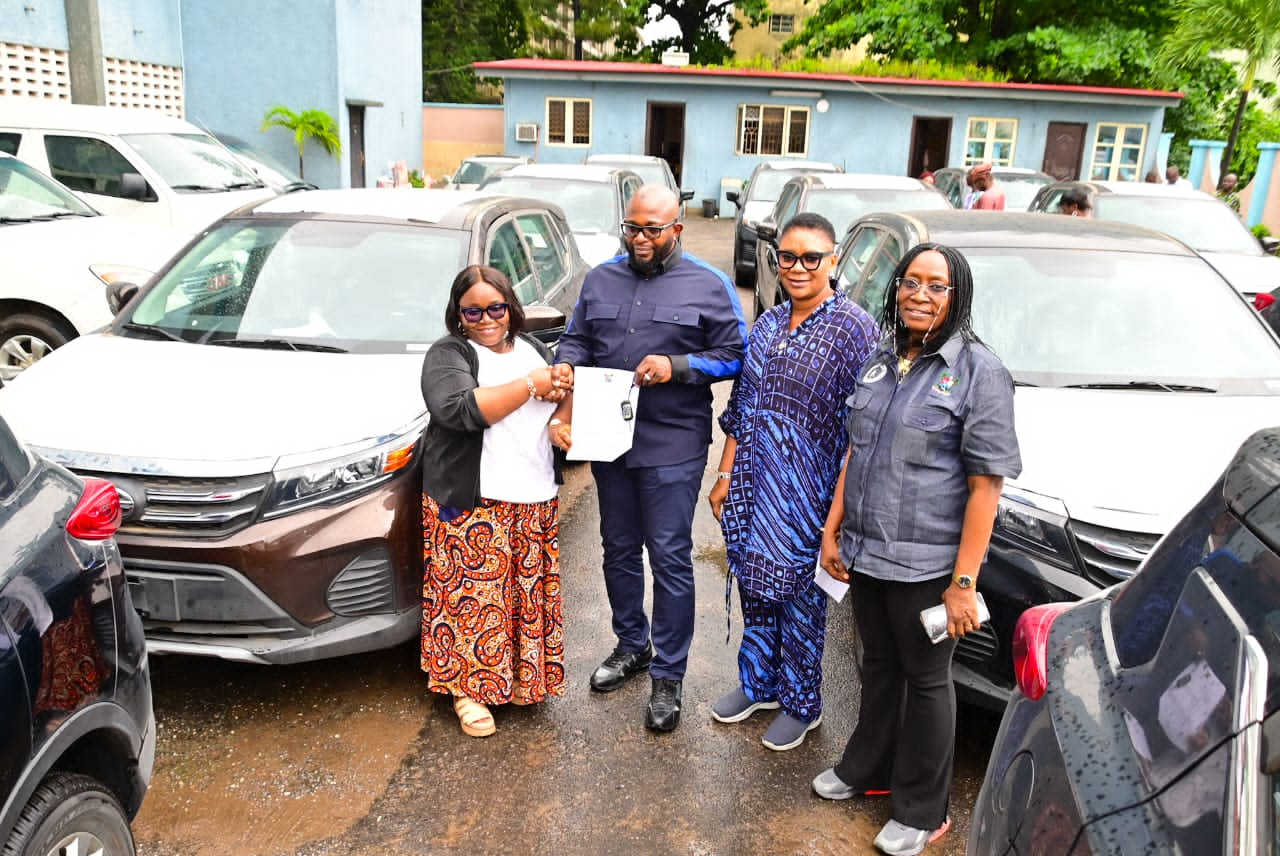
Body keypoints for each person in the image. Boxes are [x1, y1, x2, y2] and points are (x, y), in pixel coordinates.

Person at [812, 244, 1021, 856]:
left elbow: (987, 485)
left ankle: (926, 811)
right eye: (910, 283)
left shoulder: (980, 373)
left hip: (927, 563)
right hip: (867, 551)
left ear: (957, 295)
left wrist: (963, 583)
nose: (920, 296)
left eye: (936, 286)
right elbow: (857, 449)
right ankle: (867, 769)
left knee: (928, 681)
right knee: (875, 664)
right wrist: (834, 526)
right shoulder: (883, 358)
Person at [551, 184, 747, 733]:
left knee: (668, 556)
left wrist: (678, 366)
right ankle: (631, 645)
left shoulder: (710, 286)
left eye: (652, 230)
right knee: (617, 548)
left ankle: (669, 672)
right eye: (632, 228)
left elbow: (736, 355)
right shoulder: (600, 278)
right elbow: (577, 340)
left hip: (673, 445)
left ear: (677, 229)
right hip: (607, 439)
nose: (640, 239)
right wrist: (567, 368)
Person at [708, 212, 879, 751]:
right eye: (788, 257)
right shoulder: (766, 324)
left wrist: (839, 514)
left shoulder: (855, 330)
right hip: (753, 485)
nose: (798, 267)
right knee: (756, 586)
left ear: (834, 261)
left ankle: (801, 703)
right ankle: (758, 683)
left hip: (810, 494)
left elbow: (861, 430)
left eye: (812, 257)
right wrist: (725, 472)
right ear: (775, 261)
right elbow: (741, 405)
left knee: (800, 597)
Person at [418, 264, 574, 738]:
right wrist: (531, 385)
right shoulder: (450, 353)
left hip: (532, 491)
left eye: (495, 308)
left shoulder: (533, 347)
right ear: (458, 314)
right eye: (473, 310)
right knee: (472, 600)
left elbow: (561, 397)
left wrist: (562, 409)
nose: (486, 318)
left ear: (511, 307)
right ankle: (468, 689)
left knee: (518, 596)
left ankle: (518, 681)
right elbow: (457, 409)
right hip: (473, 498)